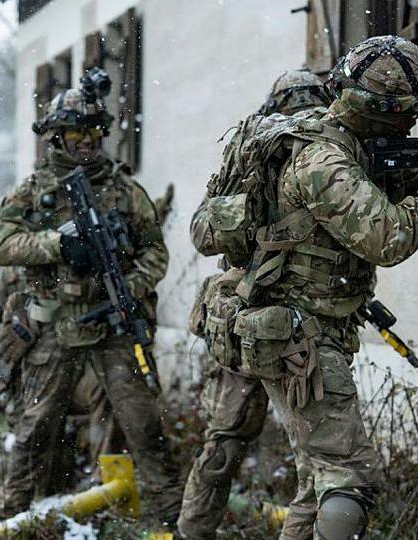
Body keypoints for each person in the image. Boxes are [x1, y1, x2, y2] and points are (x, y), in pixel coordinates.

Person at [188, 36, 418, 539]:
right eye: (405, 116)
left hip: (302, 330)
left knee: (317, 476)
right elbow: (387, 236)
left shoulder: (350, 145)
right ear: (377, 110)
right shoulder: (324, 161)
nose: (412, 125)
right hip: (299, 336)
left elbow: (415, 182)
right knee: (347, 483)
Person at [0, 70, 183, 523]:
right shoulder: (34, 191)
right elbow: (1, 244)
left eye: (94, 132)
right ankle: (9, 518)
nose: (86, 142)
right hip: (55, 324)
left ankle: (173, 520)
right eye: (76, 132)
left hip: (112, 325)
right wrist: (56, 244)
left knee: (143, 424)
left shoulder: (124, 191)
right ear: (56, 137)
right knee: (35, 429)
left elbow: (154, 253)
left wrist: (128, 289)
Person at [179, 68, 333, 540]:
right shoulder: (251, 156)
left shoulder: (330, 158)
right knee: (238, 441)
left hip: (285, 322)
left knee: (305, 454)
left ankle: (195, 530)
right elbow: (204, 229)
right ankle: (193, 531)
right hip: (254, 318)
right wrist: (262, 215)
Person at [0, 265, 126, 495]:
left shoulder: (78, 269)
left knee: (107, 389)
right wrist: (14, 334)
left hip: (73, 373)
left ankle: (106, 487)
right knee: (45, 473)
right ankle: (22, 501)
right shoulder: (8, 278)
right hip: (27, 383)